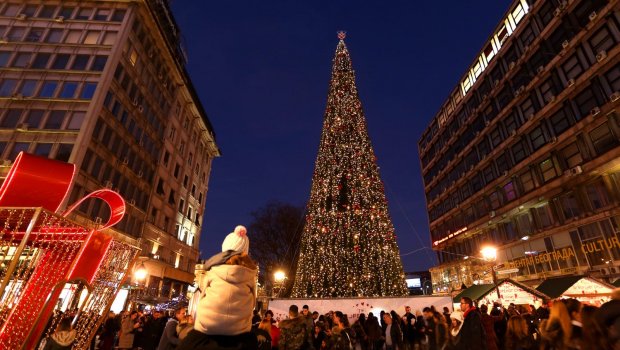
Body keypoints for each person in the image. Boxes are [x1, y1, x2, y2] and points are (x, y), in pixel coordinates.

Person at [178, 225, 259, 349]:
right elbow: (254, 301)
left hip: (207, 328)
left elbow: (203, 294)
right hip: (239, 331)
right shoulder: (250, 275)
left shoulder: (213, 270)